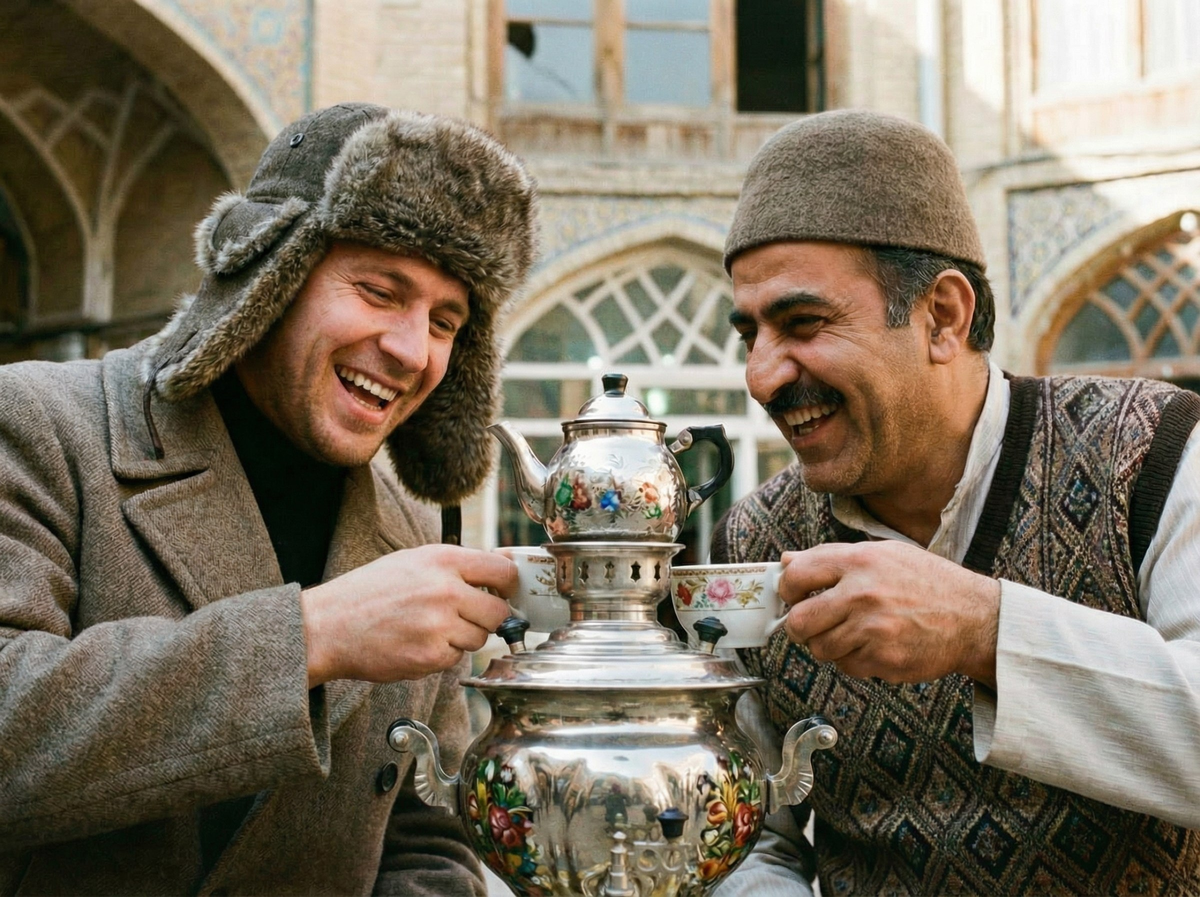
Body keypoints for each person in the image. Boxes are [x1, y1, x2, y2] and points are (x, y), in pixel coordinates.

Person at [0, 103, 538, 895]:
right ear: (271, 275)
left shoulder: (412, 537)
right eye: (380, 291)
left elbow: (429, 843)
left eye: (445, 321)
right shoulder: (39, 424)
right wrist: (314, 635)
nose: (410, 349)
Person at [711, 109, 1200, 896]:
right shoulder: (754, 542)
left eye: (803, 323)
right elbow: (745, 839)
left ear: (943, 316)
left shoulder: (1152, 455)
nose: (763, 375)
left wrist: (986, 629)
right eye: (750, 334)